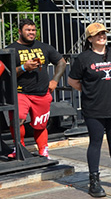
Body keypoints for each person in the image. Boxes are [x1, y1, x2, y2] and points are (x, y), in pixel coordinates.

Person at [68, 23, 111, 198]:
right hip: (94, 108)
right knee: (95, 142)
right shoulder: (84, 58)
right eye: (97, 35)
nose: (101, 37)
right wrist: (90, 91)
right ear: (90, 39)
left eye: (103, 33)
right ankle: (94, 181)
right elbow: (72, 81)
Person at [5, 18, 67, 159]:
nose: (31, 33)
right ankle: (18, 148)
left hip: (42, 93)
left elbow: (61, 62)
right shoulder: (11, 49)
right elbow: (7, 73)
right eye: (28, 30)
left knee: (40, 125)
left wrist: (55, 80)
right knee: (17, 120)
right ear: (20, 32)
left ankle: (43, 150)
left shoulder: (45, 47)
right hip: (20, 93)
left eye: (33, 30)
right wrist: (23, 68)